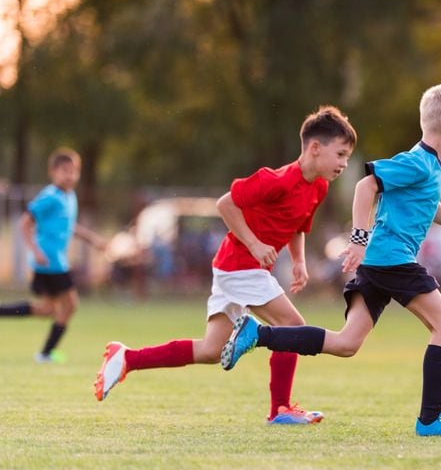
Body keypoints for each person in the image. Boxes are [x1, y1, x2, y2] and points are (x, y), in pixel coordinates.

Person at [220, 83, 441, 437]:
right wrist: (358, 239)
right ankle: (431, 420)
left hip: (380, 263)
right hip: (392, 260)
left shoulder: (432, 166)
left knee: (346, 344)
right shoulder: (418, 161)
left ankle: (259, 333)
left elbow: (427, 201)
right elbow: (366, 186)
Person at [93, 106, 357, 425]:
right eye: (340, 154)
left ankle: (127, 359)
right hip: (239, 265)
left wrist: (299, 261)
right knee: (292, 326)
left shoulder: (318, 186)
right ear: (315, 148)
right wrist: (255, 244)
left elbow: (299, 224)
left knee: (209, 350)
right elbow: (226, 204)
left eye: (347, 156)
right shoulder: (277, 180)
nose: (344, 163)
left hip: (237, 269)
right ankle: (280, 410)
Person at [0, 148, 106, 363]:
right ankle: (45, 354)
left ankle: (44, 352)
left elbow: (69, 225)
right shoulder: (50, 196)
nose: (70, 176)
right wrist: (35, 250)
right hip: (50, 262)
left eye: (74, 171)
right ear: (53, 172)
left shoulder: (69, 196)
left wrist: (93, 239)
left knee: (47, 309)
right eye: (65, 171)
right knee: (70, 305)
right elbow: (24, 222)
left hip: (55, 262)